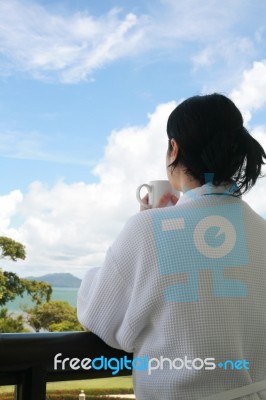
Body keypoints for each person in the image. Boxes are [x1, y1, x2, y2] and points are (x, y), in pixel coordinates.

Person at [77, 93, 266, 400]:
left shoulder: (145, 229)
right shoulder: (262, 230)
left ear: (174, 148)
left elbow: (100, 315)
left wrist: (145, 227)